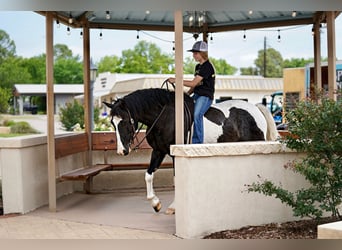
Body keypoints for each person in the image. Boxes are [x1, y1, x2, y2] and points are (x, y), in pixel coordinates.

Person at [168, 40, 216, 144]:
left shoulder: (207, 66)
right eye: (193, 53)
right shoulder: (198, 67)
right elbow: (197, 85)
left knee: (197, 114)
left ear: (202, 53)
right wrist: (188, 94)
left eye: (195, 53)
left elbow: (194, 83)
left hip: (205, 96)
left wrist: (176, 80)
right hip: (197, 94)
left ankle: (197, 142)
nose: (193, 55)